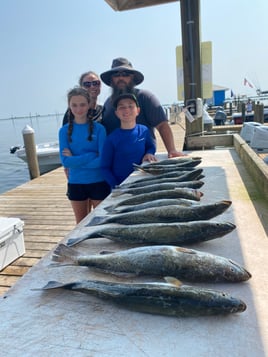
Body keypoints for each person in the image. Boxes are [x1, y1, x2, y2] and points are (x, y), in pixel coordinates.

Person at [100, 57, 185, 157]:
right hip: (115, 160)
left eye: (125, 74)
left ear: (132, 77)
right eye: (116, 74)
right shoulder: (107, 104)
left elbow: (162, 125)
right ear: (111, 79)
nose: (121, 78)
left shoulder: (145, 97)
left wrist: (171, 150)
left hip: (144, 159)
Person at [59, 87, 110, 224]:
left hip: (98, 182)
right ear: (69, 107)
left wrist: (75, 159)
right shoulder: (63, 131)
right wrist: (91, 155)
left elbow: (102, 160)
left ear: (89, 105)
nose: (78, 109)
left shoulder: (100, 129)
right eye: (74, 105)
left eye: (82, 104)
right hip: (76, 183)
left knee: (101, 222)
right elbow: (65, 161)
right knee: (80, 225)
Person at [101, 93, 157, 188]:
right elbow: (104, 167)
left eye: (130, 106)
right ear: (117, 113)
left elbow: (151, 146)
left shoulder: (144, 130)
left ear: (138, 111)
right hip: (122, 186)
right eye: (121, 107)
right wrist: (116, 186)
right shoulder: (111, 139)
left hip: (143, 182)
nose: (126, 109)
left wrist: (149, 153)